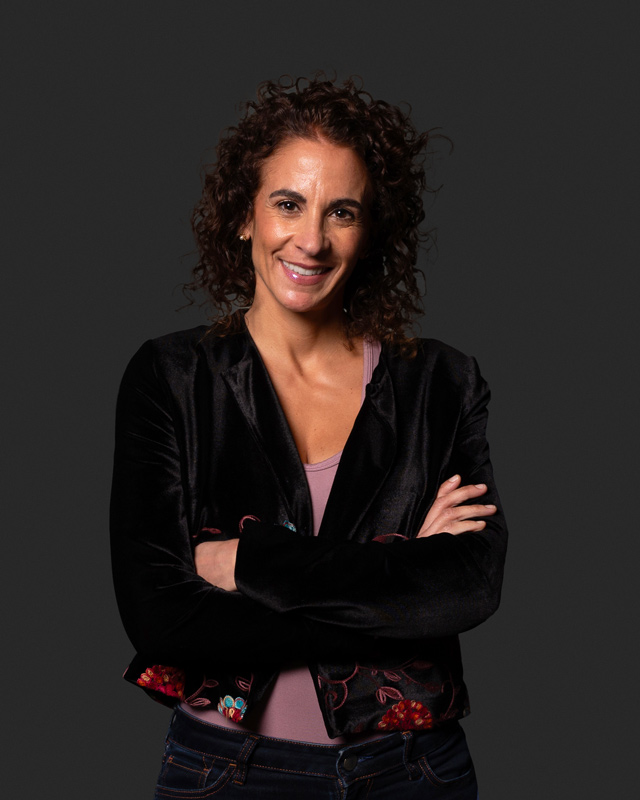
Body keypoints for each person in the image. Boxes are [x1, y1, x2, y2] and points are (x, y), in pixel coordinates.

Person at [110, 75, 507, 799]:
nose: (313, 241)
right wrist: (396, 589)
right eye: (288, 204)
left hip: (413, 772)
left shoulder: (440, 383)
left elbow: (468, 587)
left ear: (370, 230)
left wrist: (251, 562)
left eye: (342, 212)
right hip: (226, 772)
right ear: (244, 215)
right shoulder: (171, 377)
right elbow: (162, 619)